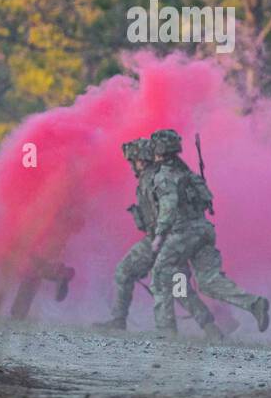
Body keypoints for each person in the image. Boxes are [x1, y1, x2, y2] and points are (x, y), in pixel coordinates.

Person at [96, 137, 224, 338]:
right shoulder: (168, 174)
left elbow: (165, 211)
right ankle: (211, 328)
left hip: (162, 239)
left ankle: (120, 321)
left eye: (134, 160)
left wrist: (159, 237)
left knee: (124, 271)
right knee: (179, 288)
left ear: (142, 159)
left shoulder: (151, 179)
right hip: (177, 239)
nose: (132, 165)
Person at [146, 129, 270, 335]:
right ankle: (253, 303)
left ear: (159, 149)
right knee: (208, 281)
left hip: (182, 233)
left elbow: (168, 205)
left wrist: (159, 236)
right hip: (203, 230)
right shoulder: (187, 173)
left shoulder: (165, 176)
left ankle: (166, 333)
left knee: (160, 276)